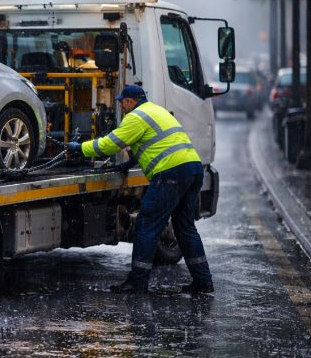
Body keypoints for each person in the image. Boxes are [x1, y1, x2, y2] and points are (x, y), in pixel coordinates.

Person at [67, 84, 214, 294]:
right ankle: (203, 281)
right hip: (193, 169)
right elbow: (154, 142)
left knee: (146, 225)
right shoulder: (156, 111)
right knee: (185, 227)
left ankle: (138, 281)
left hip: (170, 174)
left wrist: (81, 148)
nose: (121, 106)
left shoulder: (135, 117)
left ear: (130, 101)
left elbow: (111, 144)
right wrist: (129, 164)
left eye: (122, 102)